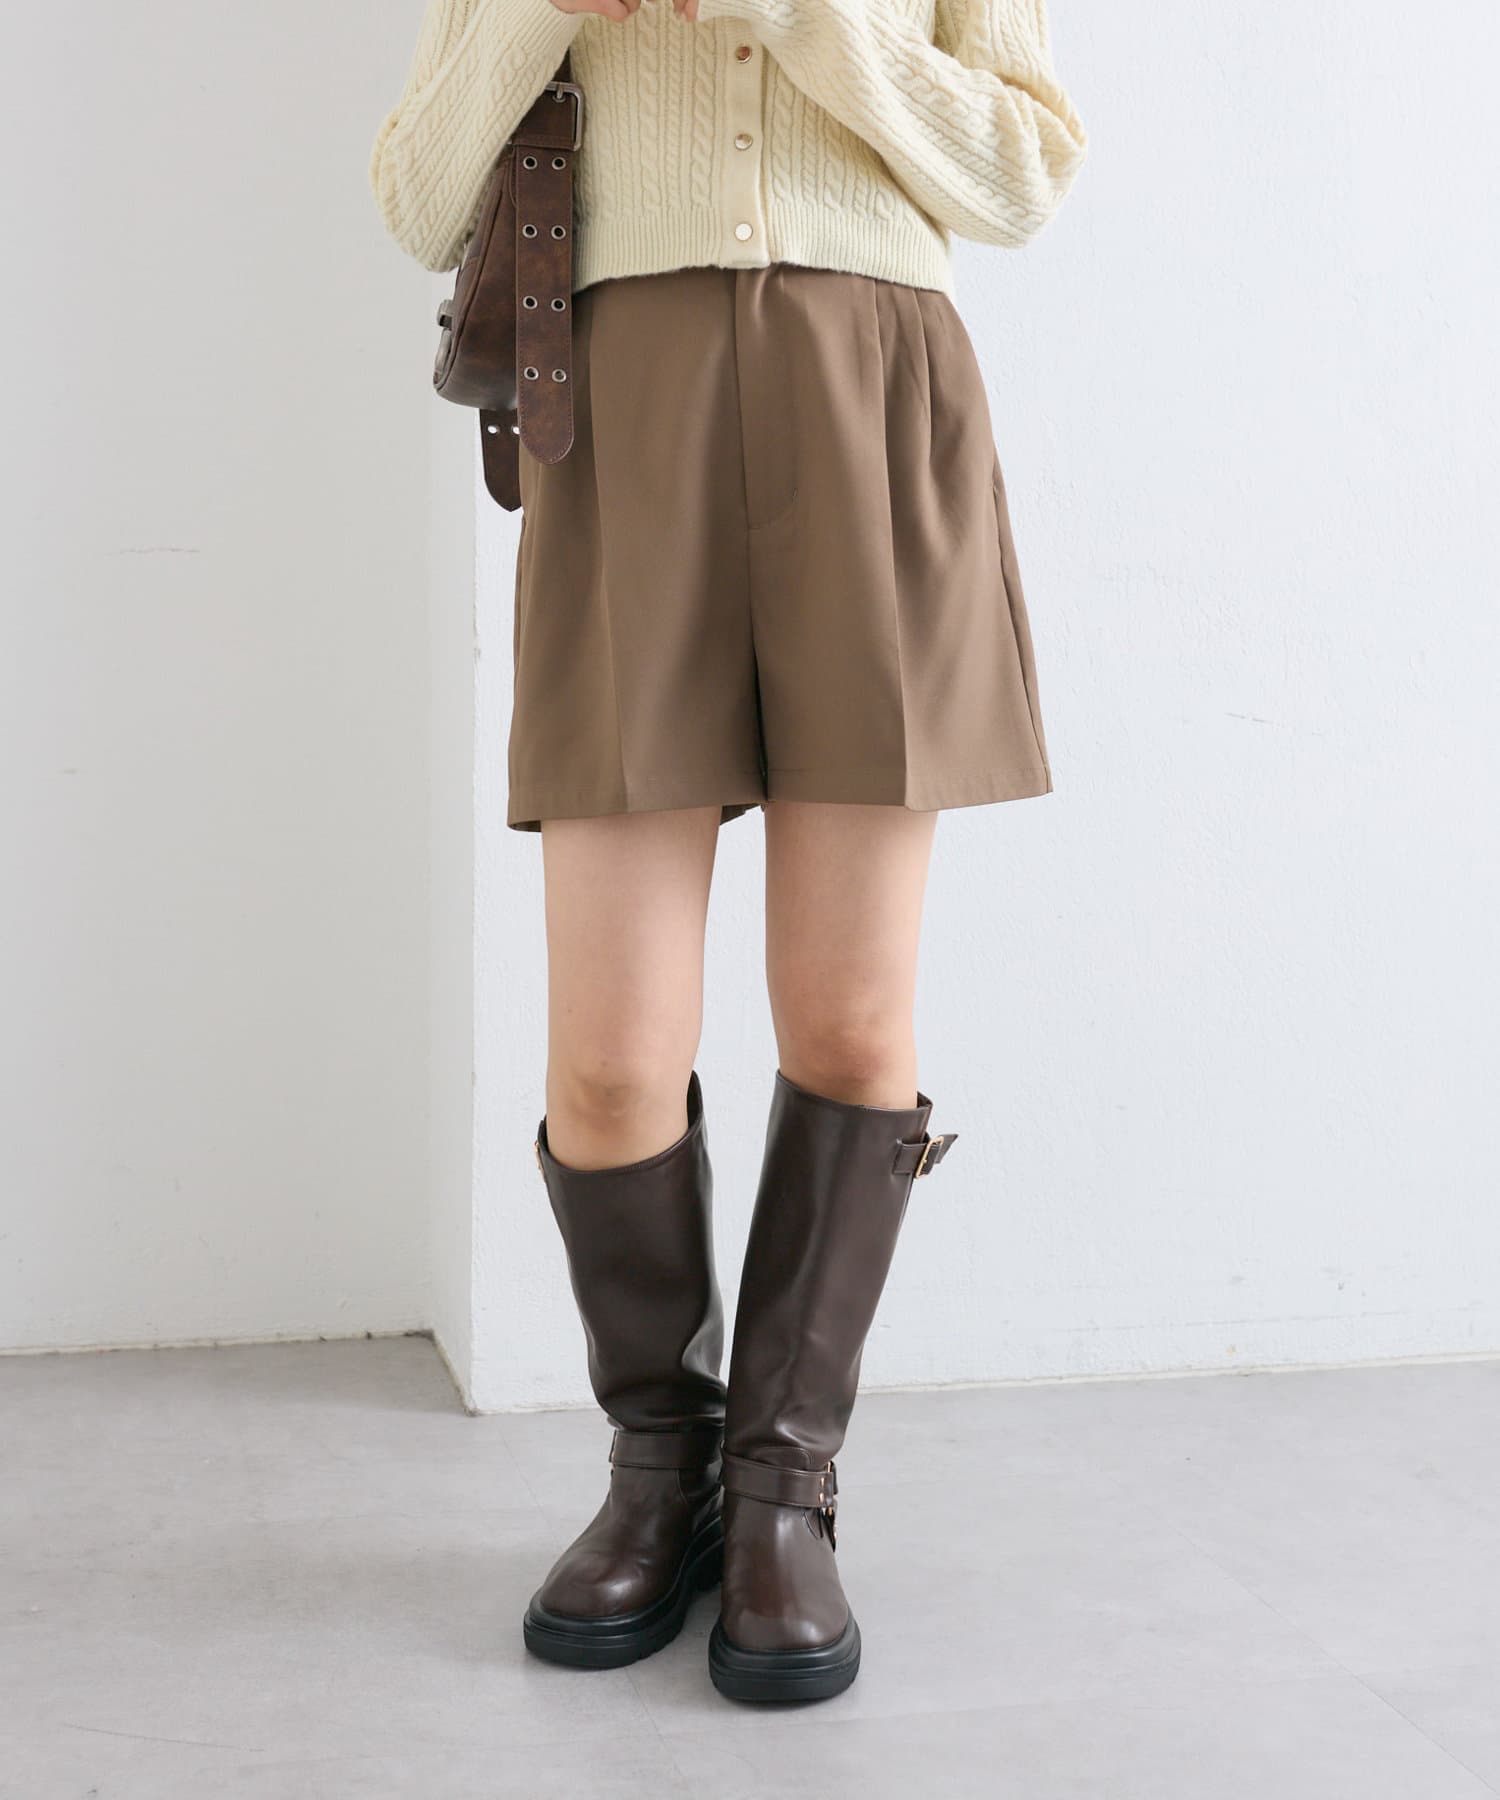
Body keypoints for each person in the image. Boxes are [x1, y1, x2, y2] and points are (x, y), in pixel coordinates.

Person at [372, 0, 1085, 1705]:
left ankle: (782, 1489)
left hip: (873, 397)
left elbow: (1023, 171)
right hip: (625, 413)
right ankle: (661, 1470)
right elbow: (413, 195)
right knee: (611, 1062)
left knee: (848, 1017)